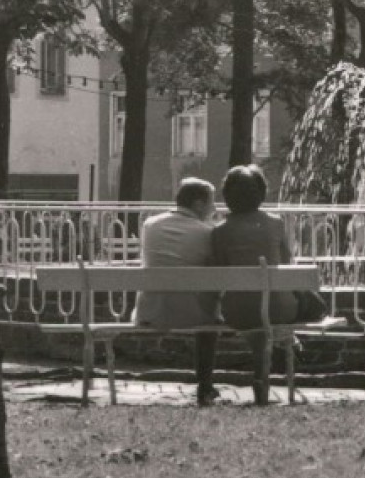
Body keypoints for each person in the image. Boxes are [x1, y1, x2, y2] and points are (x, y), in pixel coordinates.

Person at [211, 164, 323, 405]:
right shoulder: (276, 224)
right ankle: (277, 355)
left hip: (237, 312)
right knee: (277, 306)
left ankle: (262, 370)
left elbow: (220, 271)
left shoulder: (219, 232)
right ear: (260, 194)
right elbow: (287, 265)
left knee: (253, 310)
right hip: (279, 309)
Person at [133, 178, 220, 406]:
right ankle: (205, 385)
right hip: (193, 316)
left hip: (151, 312)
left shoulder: (150, 225)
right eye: (212, 203)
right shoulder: (206, 232)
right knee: (210, 323)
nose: (215, 208)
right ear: (199, 205)